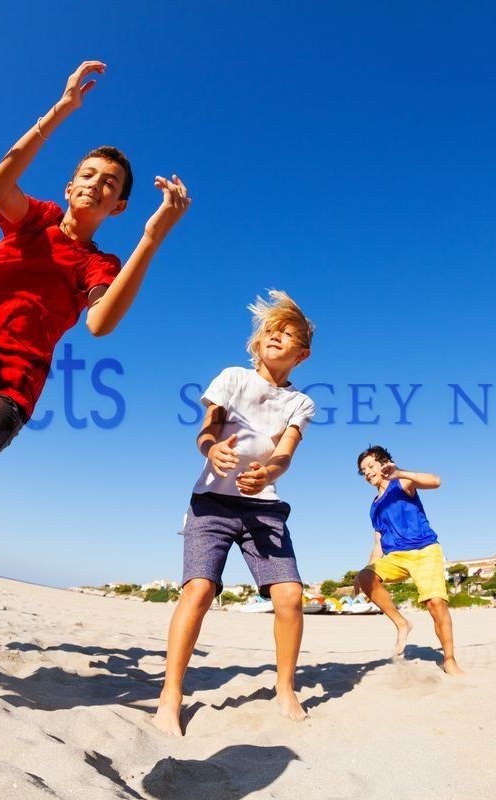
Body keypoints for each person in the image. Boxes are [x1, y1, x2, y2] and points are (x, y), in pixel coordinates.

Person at [0, 60, 191, 692]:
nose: (95, 185)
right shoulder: (35, 217)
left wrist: (152, 238)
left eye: (109, 183)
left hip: (12, 385)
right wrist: (61, 109)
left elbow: (101, 323)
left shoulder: (99, 258)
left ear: (120, 203)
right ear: (71, 180)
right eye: (88, 174)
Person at [153, 290, 316, 737]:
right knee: (200, 590)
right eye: (271, 330)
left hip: (264, 508)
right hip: (211, 502)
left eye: (288, 335)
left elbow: (284, 455)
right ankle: (171, 694)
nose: (276, 337)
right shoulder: (231, 378)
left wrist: (267, 473)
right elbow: (205, 433)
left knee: (290, 597)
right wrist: (214, 450)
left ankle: (285, 687)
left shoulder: (300, 404)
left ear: (301, 354)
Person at [355, 445, 464, 676]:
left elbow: (436, 481)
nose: (367, 472)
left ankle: (450, 660)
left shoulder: (401, 483)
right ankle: (402, 623)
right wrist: (364, 573)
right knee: (365, 575)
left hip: (425, 550)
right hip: (396, 556)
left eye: (371, 466)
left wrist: (401, 472)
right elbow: (378, 544)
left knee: (436, 604)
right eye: (363, 470)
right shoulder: (374, 506)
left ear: (384, 463)